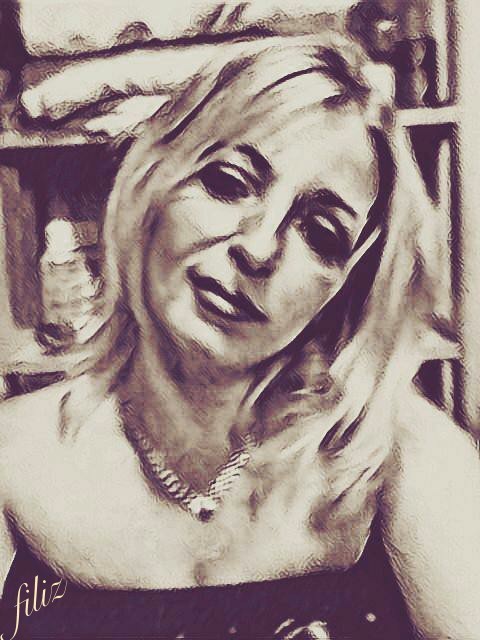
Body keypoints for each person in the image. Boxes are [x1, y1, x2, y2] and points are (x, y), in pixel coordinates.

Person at [0, 25, 479, 640]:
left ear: (344, 290)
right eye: (228, 183)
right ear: (151, 180)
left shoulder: (407, 462)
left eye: (320, 233)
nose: (259, 248)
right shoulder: (14, 459)